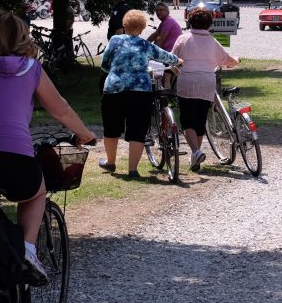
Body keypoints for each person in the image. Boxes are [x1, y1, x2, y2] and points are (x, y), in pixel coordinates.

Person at [0, 11, 97, 281]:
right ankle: (26, 250)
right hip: (13, 156)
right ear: (22, 36)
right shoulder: (32, 69)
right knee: (35, 193)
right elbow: (60, 110)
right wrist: (84, 134)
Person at [99, 9, 180, 178]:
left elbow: (105, 63)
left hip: (115, 89)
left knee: (111, 127)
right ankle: (133, 170)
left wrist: (113, 70)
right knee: (137, 130)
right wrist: (178, 60)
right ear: (142, 29)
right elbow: (165, 56)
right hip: (141, 91)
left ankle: (110, 162)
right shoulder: (146, 45)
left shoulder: (115, 40)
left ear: (124, 25)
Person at [172, 9, 239, 172]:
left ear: (190, 21)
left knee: (187, 120)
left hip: (187, 81)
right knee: (200, 120)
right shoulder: (212, 41)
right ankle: (196, 156)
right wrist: (237, 60)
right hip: (207, 83)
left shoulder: (183, 38)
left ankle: (195, 151)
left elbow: (172, 60)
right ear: (209, 23)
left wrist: (178, 73)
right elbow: (227, 61)